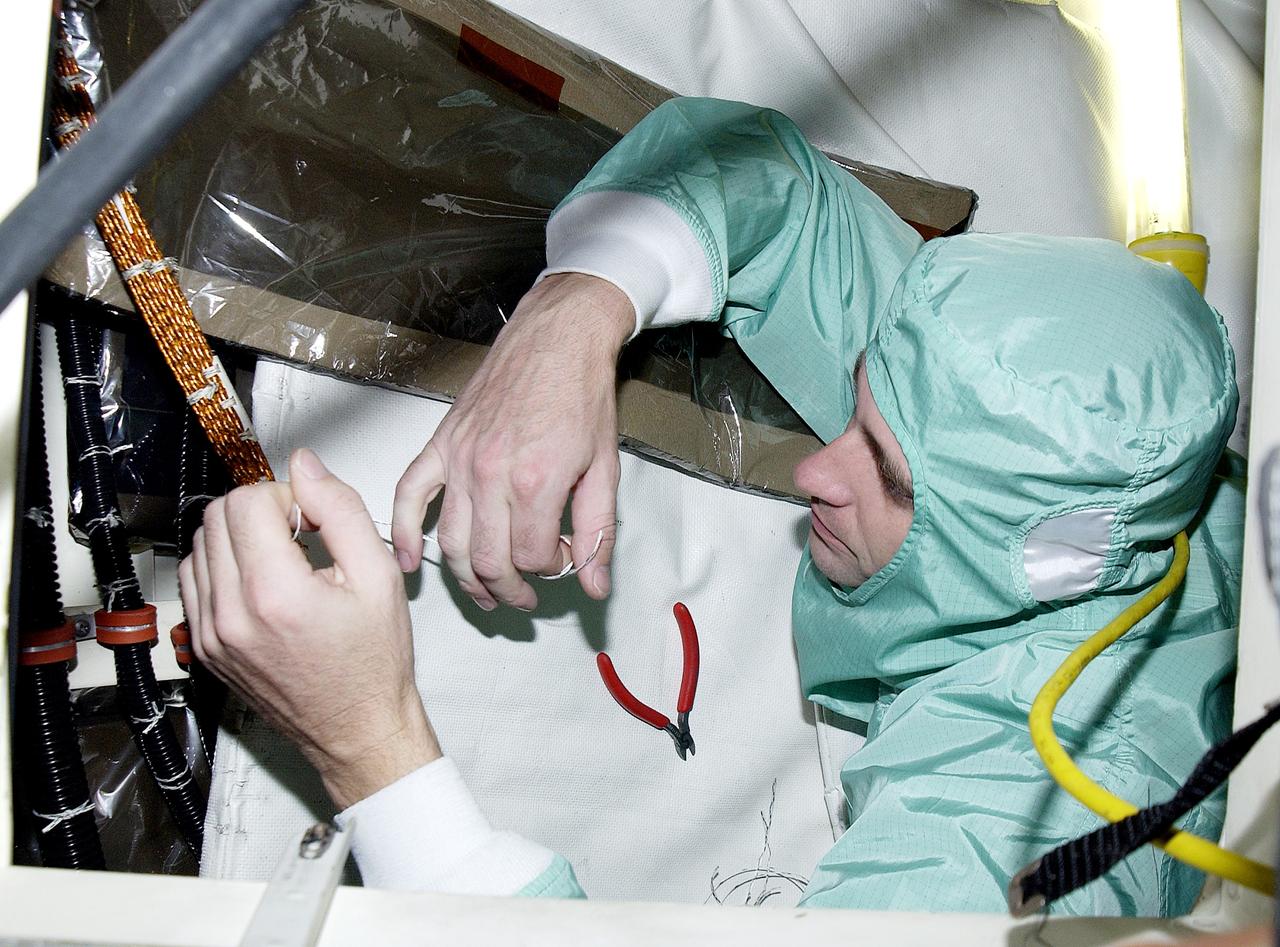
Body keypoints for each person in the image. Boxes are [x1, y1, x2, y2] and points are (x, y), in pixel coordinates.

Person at [179, 98, 1243, 914]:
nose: (812, 473)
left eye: (885, 473)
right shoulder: (999, 388)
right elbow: (752, 173)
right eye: (858, 410)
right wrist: (573, 316)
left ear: (1050, 562)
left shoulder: (1018, 828)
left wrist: (369, 748)